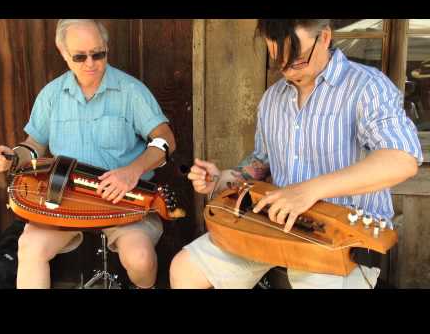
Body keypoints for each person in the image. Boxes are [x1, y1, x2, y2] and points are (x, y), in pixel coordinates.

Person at [170, 19, 423, 289]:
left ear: (324, 38)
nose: (288, 70)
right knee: (185, 270)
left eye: (298, 59)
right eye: (279, 60)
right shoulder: (272, 98)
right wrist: (221, 179)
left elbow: (402, 159)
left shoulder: (367, 87)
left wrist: (308, 191)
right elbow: (261, 164)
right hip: (275, 223)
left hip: (342, 235)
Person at [0, 19, 176, 289]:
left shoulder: (131, 91)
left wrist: (132, 171)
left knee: (141, 257)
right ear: (63, 53)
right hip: (63, 199)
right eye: (79, 56)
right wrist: (11, 157)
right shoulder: (51, 95)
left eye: (98, 54)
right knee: (29, 246)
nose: (90, 63)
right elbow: (33, 146)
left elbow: (166, 139)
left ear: (106, 48)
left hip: (124, 199)